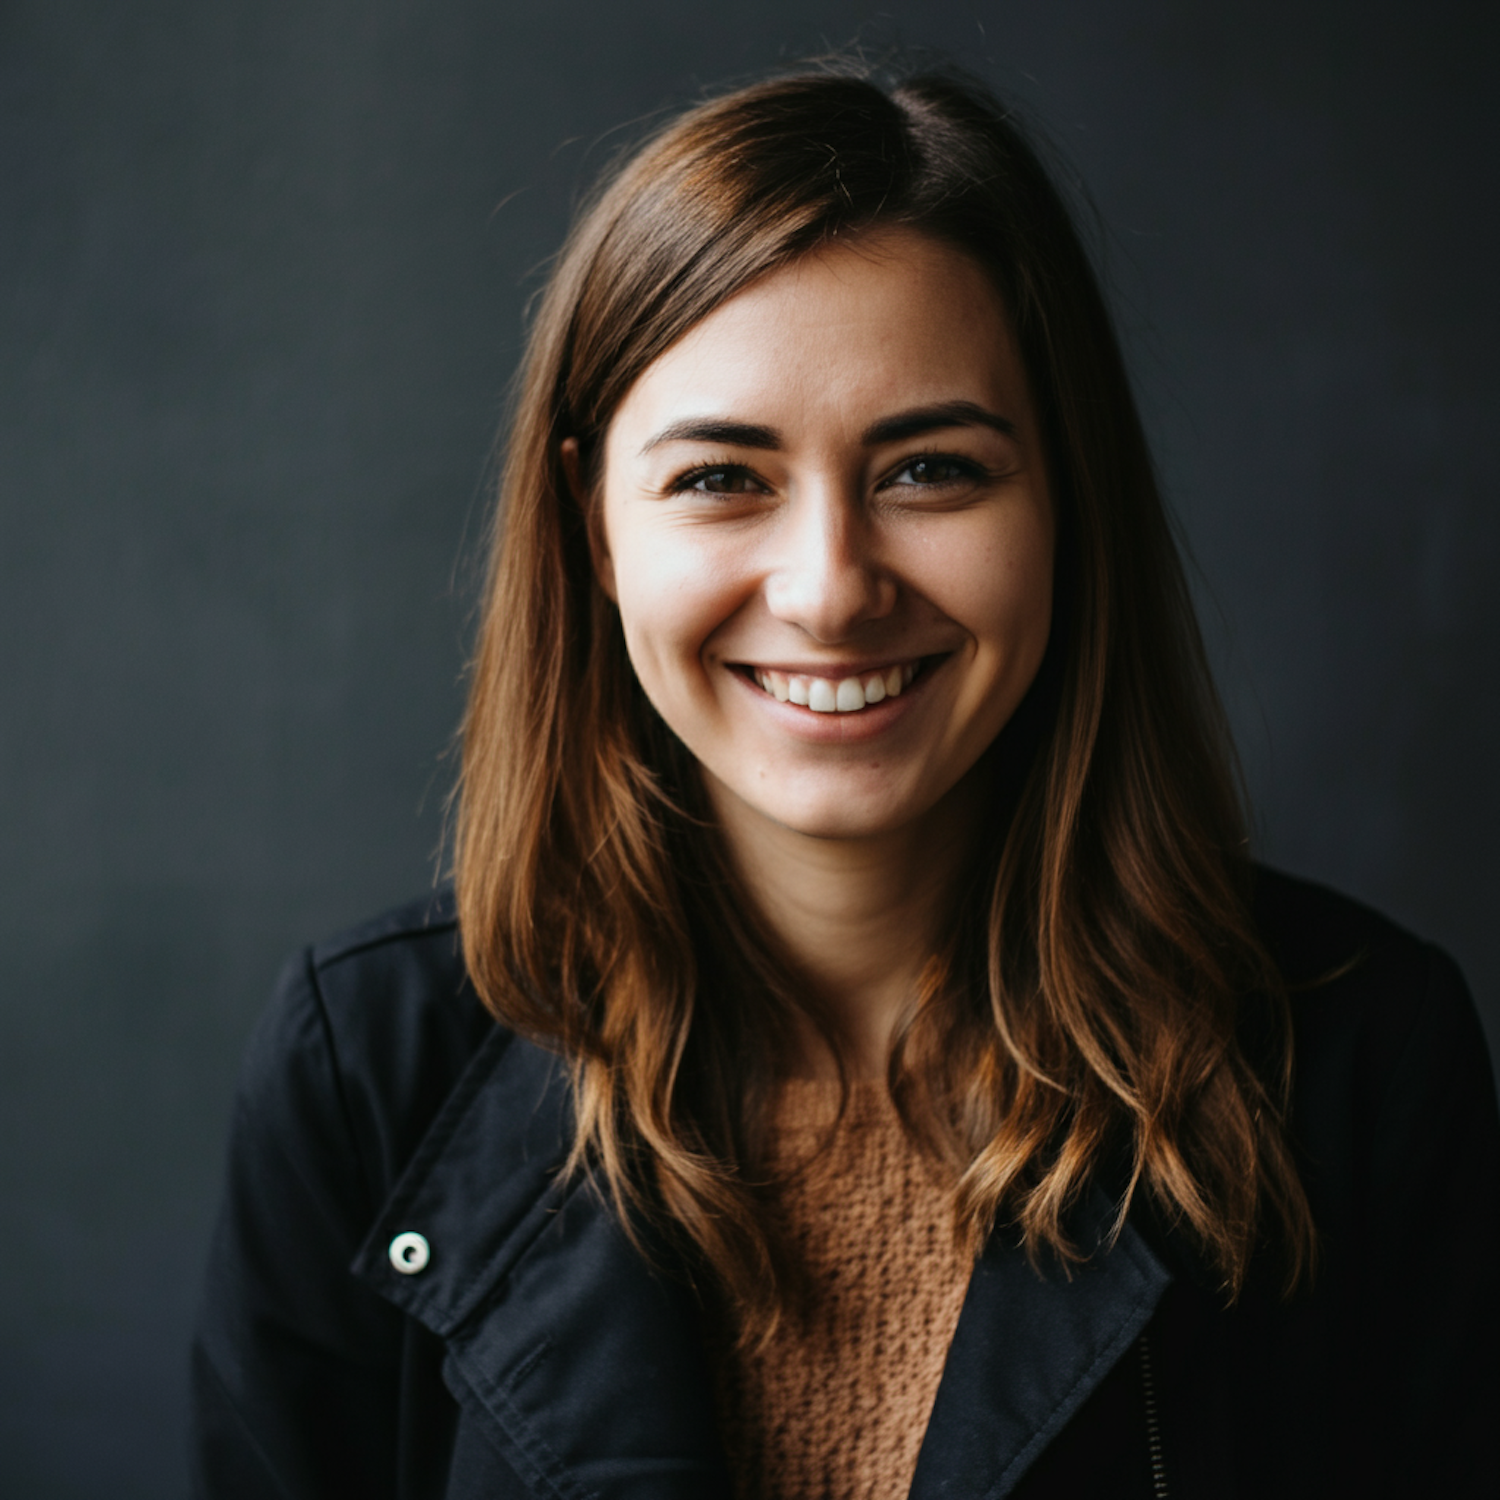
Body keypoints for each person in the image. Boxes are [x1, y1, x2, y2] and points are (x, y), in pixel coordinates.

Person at [190, 67, 1500, 1500]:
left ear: (1066, 498)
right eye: (720, 479)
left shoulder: (1366, 1063)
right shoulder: (361, 1075)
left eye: (932, 469)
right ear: (593, 526)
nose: (829, 591)